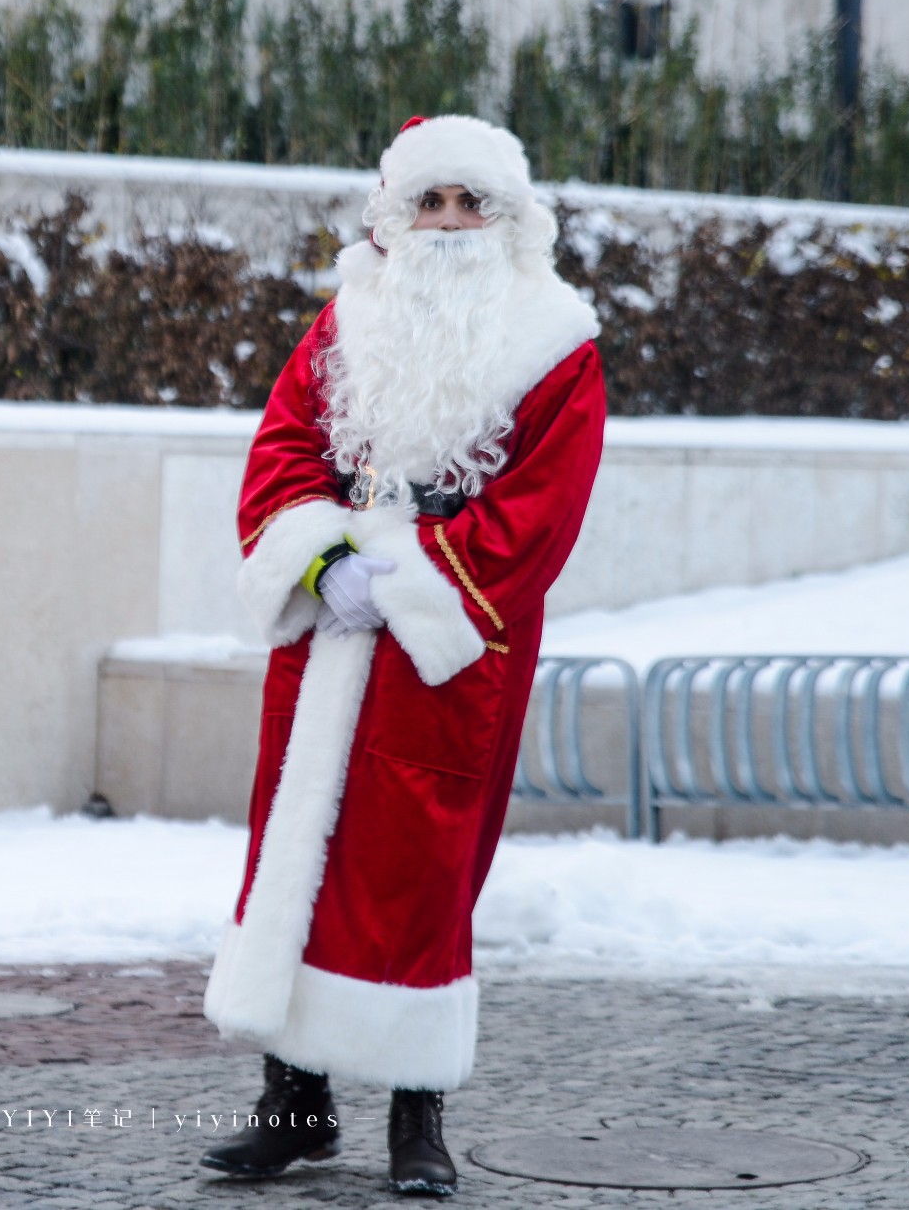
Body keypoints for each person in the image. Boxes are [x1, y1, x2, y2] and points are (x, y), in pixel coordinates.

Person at [198, 114, 608, 1196]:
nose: (447, 222)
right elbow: (283, 444)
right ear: (392, 214)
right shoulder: (345, 320)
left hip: (446, 644)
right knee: (300, 853)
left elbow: (541, 507)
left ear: (508, 217)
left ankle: (416, 1118)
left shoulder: (555, 341)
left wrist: (417, 582)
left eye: (469, 202)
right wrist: (319, 557)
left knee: (418, 870)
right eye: (427, 202)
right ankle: (292, 1103)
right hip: (333, 625)